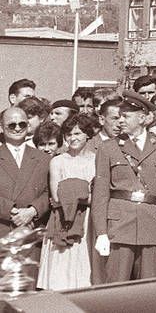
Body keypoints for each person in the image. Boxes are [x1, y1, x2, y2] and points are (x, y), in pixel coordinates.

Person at [91, 94, 156, 282]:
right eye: (119, 116)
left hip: (151, 225)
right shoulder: (108, 148)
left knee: (149, 288)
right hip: (120, 225)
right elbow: (100, 194)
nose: (120, 120)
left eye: (126, 116)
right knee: (116, 286)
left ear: (142, 118)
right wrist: (102, 233)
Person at [37, 113, 96, 290]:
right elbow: (57, 196)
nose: (73, 138)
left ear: (87, 134)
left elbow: (98, 196)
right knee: (59, 272)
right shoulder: (58, 161)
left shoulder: (97, 159)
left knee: (84, 272)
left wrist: (74, 190)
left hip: (87, 221)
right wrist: (82, 191)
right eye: (69, 134)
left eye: (77, 133)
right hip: (62, 218)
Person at [0, 106, 51, 241]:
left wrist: (32, 211)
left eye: (22, 124)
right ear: (1, 127)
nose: (17, 128)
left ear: (28, 126)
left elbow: (50, 192)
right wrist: (12, 212)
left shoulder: (44, 158)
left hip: (32, 229)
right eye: (11, 125)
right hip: (3, 229)